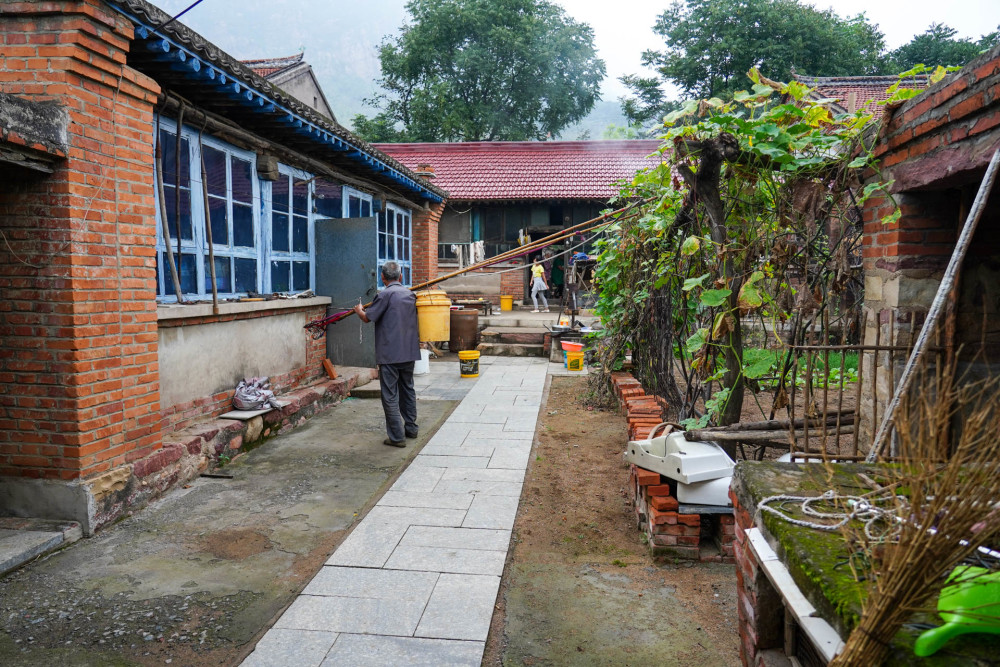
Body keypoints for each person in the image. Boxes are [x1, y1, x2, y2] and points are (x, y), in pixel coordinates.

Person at [354, 261, 420, 447]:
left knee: (390, 394)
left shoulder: (385, 295)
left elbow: (367, 318)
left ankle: (397, 437)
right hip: (409, 351)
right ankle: (411, 429)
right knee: (408, 389)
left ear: (383, 278)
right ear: (400, 277)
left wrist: (359, 311)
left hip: (390, 353)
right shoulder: (409, 294)